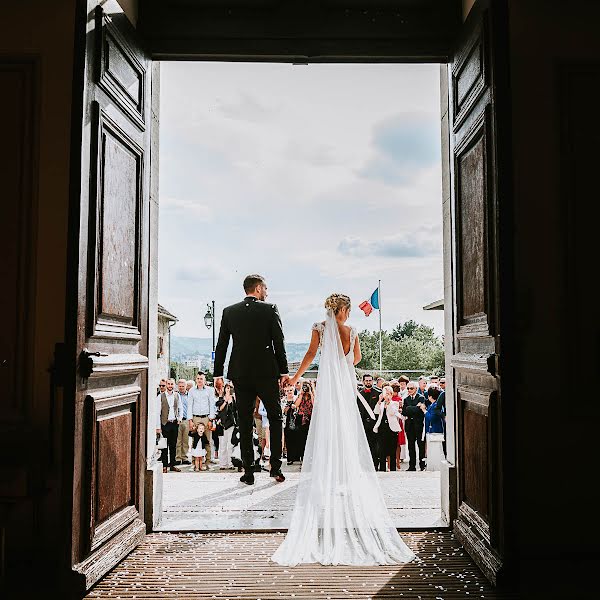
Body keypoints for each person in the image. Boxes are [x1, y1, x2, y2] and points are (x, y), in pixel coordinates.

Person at [271, 293, 415, 566]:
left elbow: (311, 354)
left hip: (328, 390)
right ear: (345, 309)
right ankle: (346, 479)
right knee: (347, 430)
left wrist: (295, 377)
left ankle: (327, 478)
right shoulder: (352, 331)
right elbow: (356, 359)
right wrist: (343, 358)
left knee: (326, 430)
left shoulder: (320, 328)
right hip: (344, 389)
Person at [214, 274, 289, 485]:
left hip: (241, 373)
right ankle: (275, 467)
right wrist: (283, 372)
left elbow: (222, 345)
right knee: (275, 418)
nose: (267, 293)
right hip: (266, 372)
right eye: (265, 288)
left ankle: (248, 471)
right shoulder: (270, 309)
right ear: (257, 289)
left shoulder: (230, 312)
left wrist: (217, 373)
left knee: (245, 421)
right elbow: (278, 342)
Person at [188, 373, 217, 465]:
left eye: (201, 379)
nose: (200, 380)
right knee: (195, 440)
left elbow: (212, 405)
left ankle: (208, 462)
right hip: (195, 417)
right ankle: (194, 463)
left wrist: (211, 419)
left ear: (204, 380)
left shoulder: (210, 390)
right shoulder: (192, 391)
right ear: (196, 379)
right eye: (198, 378)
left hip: (206, 417)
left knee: (207, 440)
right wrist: (190, 420)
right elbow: (189, 405)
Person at [373, 385, 401, 472]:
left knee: (392, 449)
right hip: (382, 428)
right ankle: (382, 468)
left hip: (391, 429)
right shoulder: (381, 404)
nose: (387, 396)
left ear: (392, 394)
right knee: (382, 449)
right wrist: (379, 401)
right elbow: (376, 412)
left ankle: (392, 468)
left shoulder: (394, 403)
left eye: (389, 394)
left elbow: (393, 412)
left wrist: (388, 404)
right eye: (385, 394)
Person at [156, 378, 181, 473]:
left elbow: (180, 408)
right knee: (164, 446)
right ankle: (164, 465)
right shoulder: (160, 397)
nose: (170, 386)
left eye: (172, 384)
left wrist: (179, 418)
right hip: (164, 424)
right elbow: (158, 412)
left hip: (174, 423)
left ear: (174, 385)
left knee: (173, 445)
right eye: (168, 384)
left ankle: (173, 465)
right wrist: (158, 427)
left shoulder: (177, 395)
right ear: (166, 385)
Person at [402, 381, 429, 471]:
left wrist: (410, 409)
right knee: (411, 446)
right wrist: (415, 408)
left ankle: (422, 465)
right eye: (408, 388)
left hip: (419, 425)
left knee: (420, 445)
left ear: (416, 389)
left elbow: (420, 411)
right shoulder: (406, 399)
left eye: (411, 388)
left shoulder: (421, 398)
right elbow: (404, 411)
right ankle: (412, 466)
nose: (409, 390)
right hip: (409, 426)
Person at [358, 373, 380, 469]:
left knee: (375, 446)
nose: (368, 382)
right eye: (366, 380)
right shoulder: (358, 394)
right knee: (363, 446)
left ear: (373, 381)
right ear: (363, 382)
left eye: (370, 380)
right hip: (362, 423)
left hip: (374, 424)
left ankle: (375, 465)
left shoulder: (378, 393)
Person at [217, 383, 237, 470]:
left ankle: (230, 463)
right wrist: (225, 401)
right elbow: (220, 409)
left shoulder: (234, 399)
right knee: (222, 445)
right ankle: (222, 464)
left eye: (229, 388)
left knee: (230, 444)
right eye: (226, 388)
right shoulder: (221, 398)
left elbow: (235, 410)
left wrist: (231, 400)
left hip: (231, 424)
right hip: (222, 424)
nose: (228, 390)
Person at [175, 378, 191, 465]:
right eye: (180, 386)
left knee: (186, 440)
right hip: (177, 421)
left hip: (186, 420)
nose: (181, 388)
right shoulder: (175, 395)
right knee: (178, 440)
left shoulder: (189, 396)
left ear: (186, 386)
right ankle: (177, 458)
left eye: (183, 386)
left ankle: (184, 457)